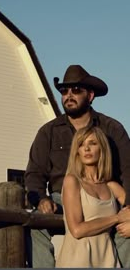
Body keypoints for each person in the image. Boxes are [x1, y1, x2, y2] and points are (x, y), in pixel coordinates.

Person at [24, 64, 130, 268]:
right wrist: (42, 198)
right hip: (62, 198)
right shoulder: (49, 131)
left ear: (90, 96)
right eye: (64, 91)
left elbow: (128, 170)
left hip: (103, 196)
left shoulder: (112, 128)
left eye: (75, 90)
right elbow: (34, 173)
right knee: (36, 224)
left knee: (126, 232)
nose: (68, 95)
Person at [56, 126, 125, 268]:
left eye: (92, 143)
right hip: (77, 259)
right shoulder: (72, 181)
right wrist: (117, 218)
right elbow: (77, 230)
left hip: (107, 258)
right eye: (81, 145)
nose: (86, 149)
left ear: (102, 149)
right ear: (77, 152)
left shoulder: (112, 186)